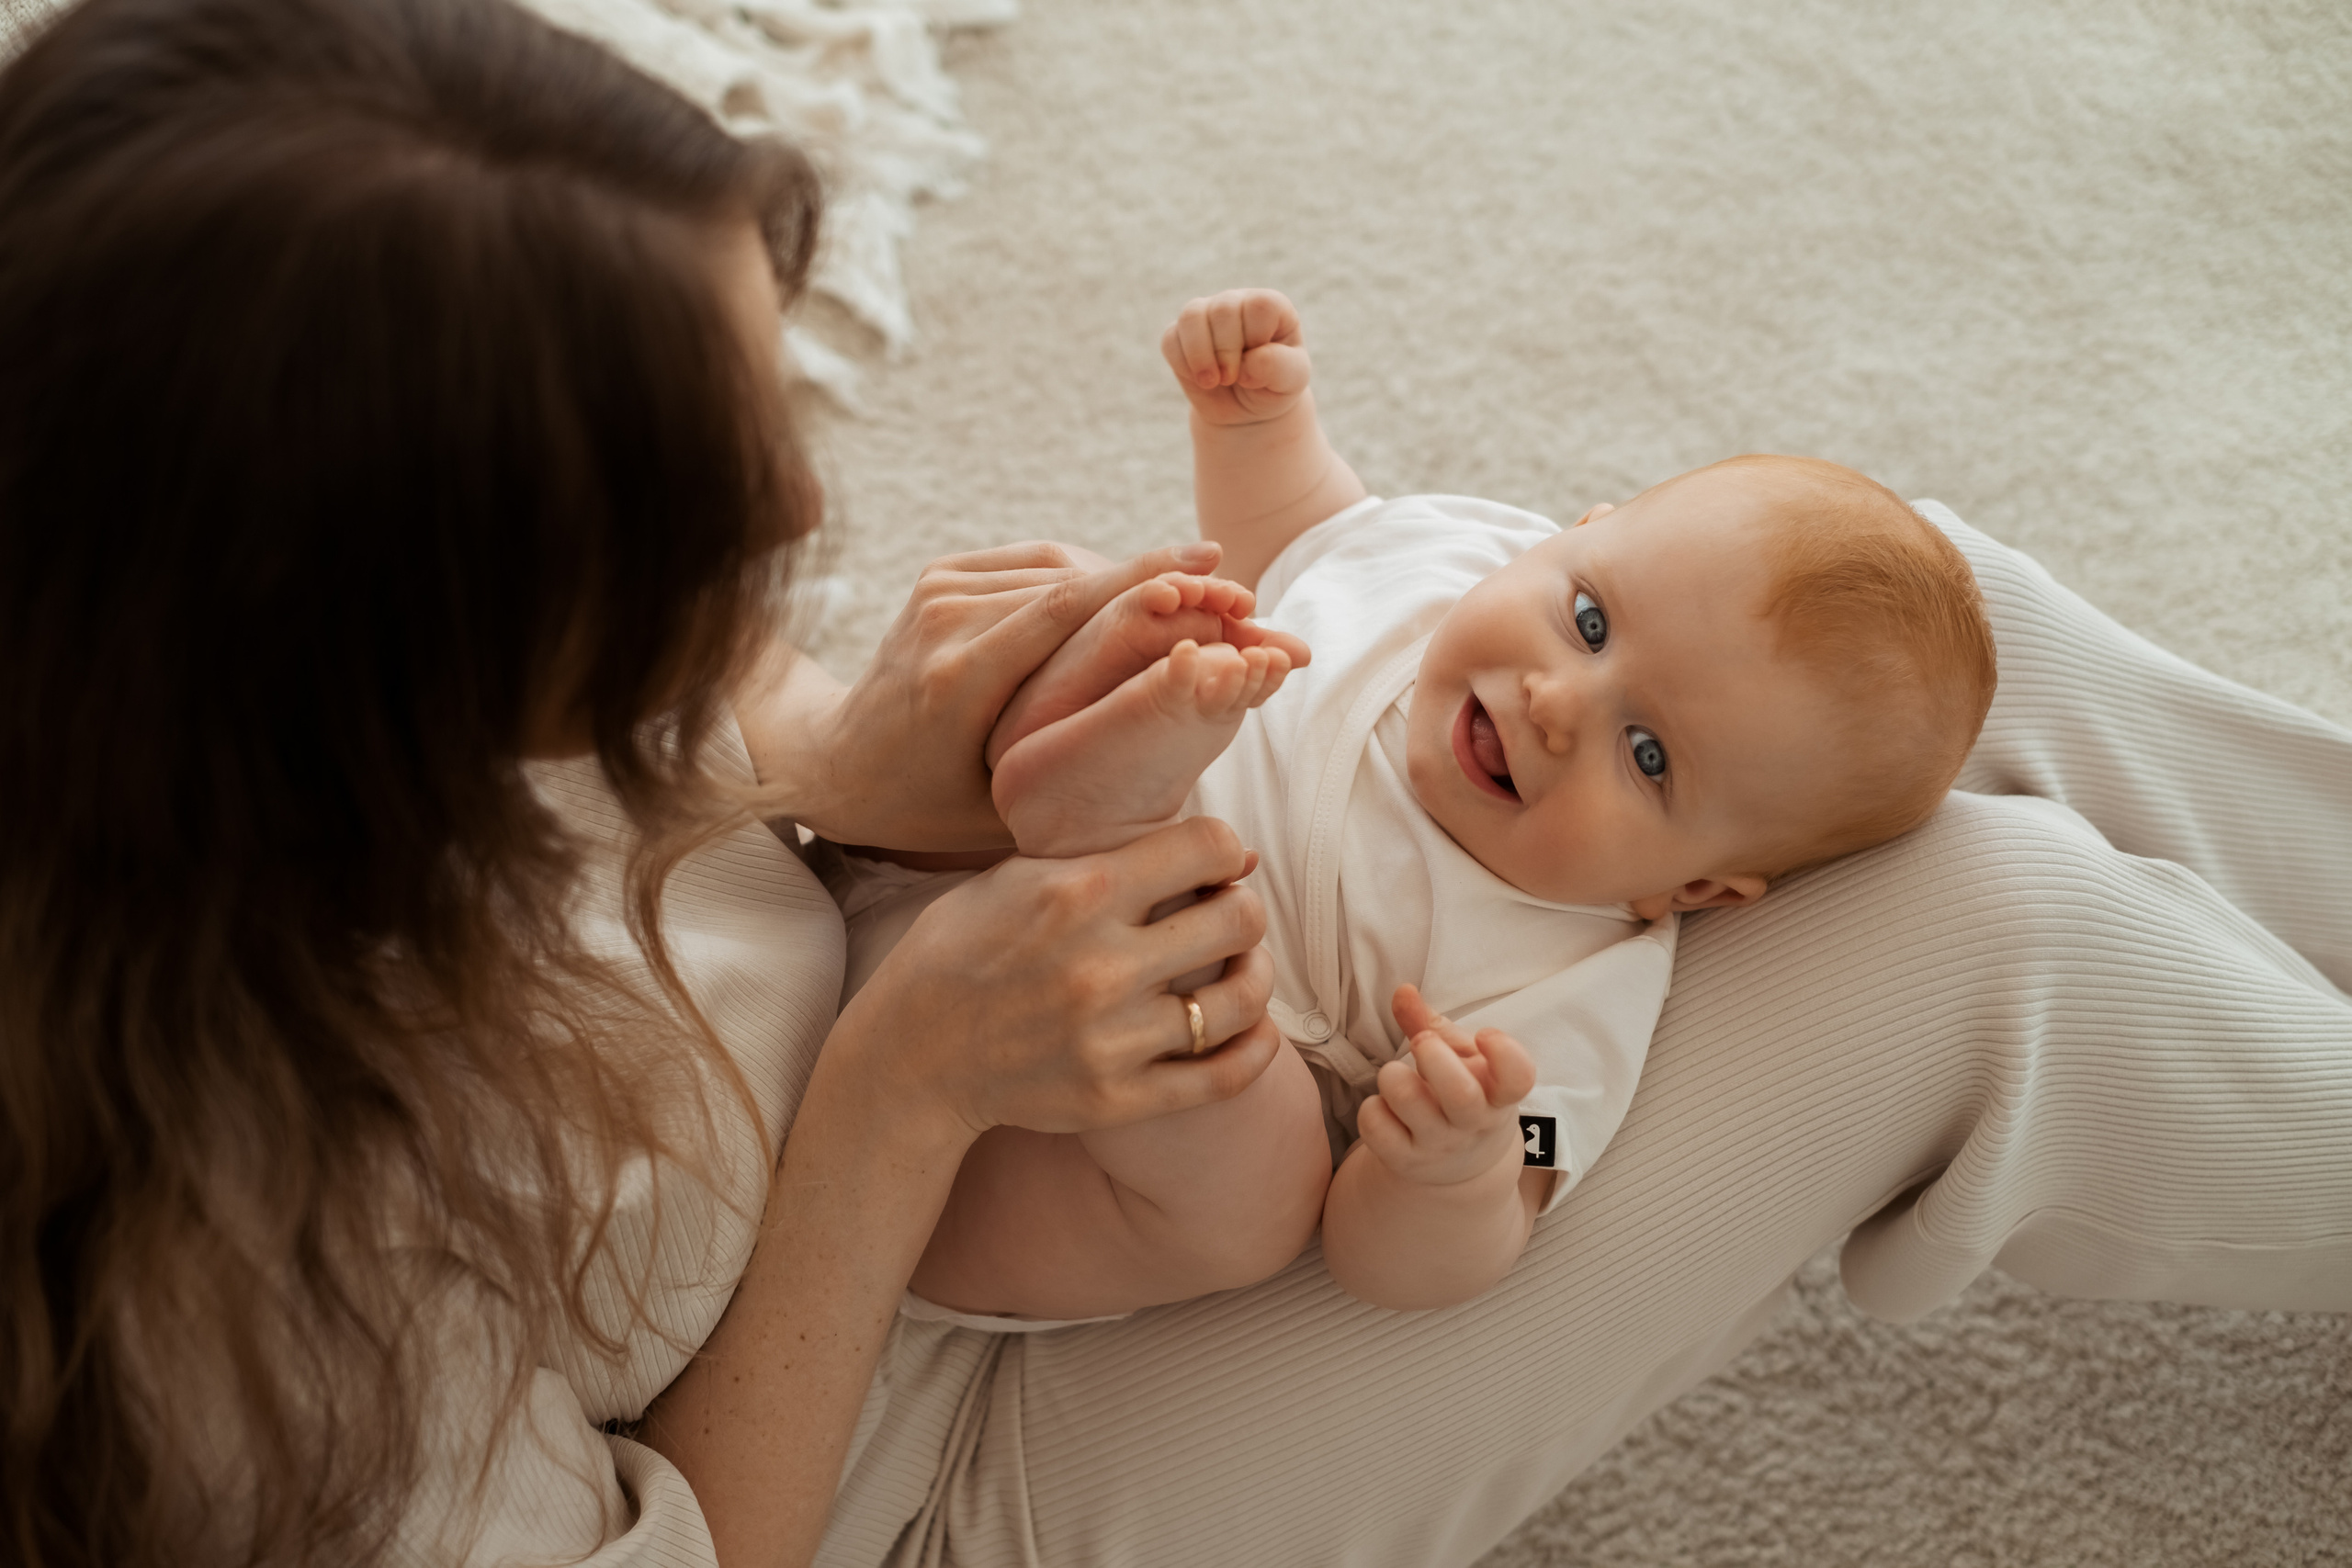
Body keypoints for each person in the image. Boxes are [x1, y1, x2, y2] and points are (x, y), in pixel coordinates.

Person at [1, 4, 2345, 1568]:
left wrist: (837, 767)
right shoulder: (230, 1317)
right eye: (724, 525)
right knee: (1980, 939)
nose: (815, 525)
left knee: (1876, 604)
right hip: (893, 1441)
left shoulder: (208, 664)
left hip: (936, 985)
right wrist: (897, 1105)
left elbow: (645, 796)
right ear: (376, 652)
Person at [888, 289, 1997, 1321]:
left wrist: (1454, 1170)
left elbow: (1456, 1231)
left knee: (1266, 1192)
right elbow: (1312, 540)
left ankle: (1108, 826)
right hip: (941, 880)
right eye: (1592, 622)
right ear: (1570, 533)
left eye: (1649, 754)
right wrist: (1256, 428)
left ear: (1693, 886)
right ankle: (1075, 804)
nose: (1558, 703)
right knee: (1130, 598)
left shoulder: (1582, 988)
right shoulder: (1459, 557)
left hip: (1033, 1144)